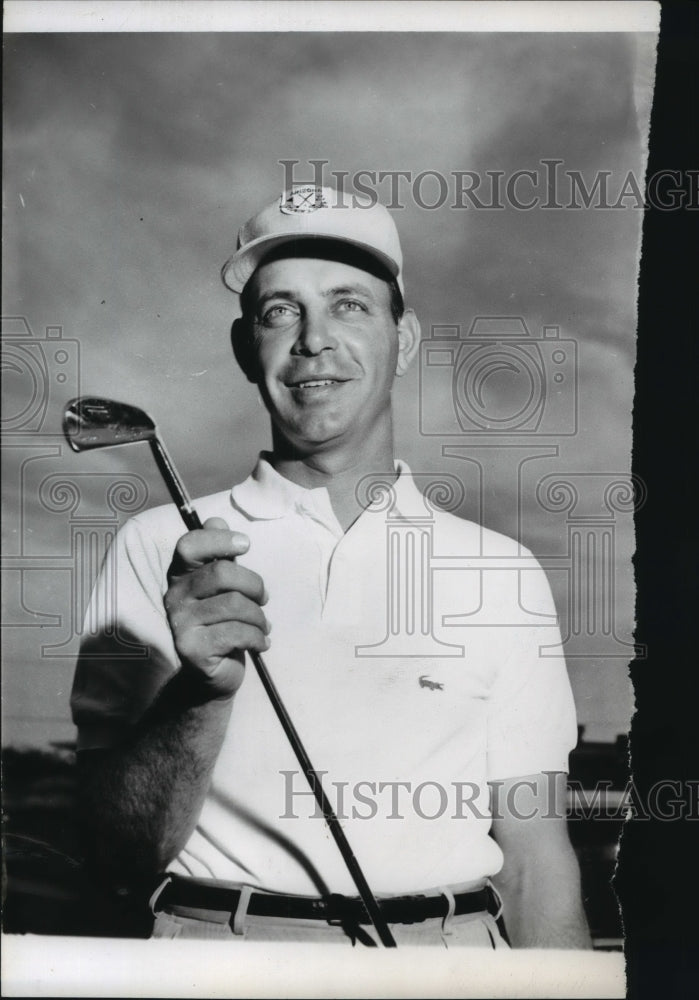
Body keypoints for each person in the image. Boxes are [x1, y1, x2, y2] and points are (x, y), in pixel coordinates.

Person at [71, 184, 591, 948]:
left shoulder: (500, 570)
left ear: (403, 341)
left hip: (450, 961)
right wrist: (201, 693)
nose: (312, 339)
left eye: (348, 304)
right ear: (246, 347)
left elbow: (536, 860)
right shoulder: (161, 546)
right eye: (280, 310)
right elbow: (113, 853)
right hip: (220, 954)